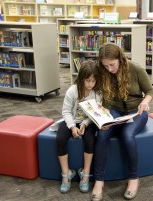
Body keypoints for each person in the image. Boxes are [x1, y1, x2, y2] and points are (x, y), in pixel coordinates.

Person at [91, 43, 153, 201]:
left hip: (136, 110)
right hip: (115, 110)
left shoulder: (135, 68)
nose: (109, 69)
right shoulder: (102, 70)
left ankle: (133, 179)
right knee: (103, 132)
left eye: (112, 64)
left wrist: (145, 101)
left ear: (120, 59)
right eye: (105, 65)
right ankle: (99, 181)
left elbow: (150, 91)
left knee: (127, 135)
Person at [56, 60, 102, 193]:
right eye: (87, 81)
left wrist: (85, 123)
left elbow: (95, 113)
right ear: (81, 78)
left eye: (93, 81)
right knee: (60, 139)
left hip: (88, 121)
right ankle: (66, 174)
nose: (90, 84)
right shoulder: (72, 91)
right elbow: (66, 111)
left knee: (90, 140)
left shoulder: (97, 93)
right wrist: (72, 127)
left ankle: (85, 174)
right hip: (71, 120)